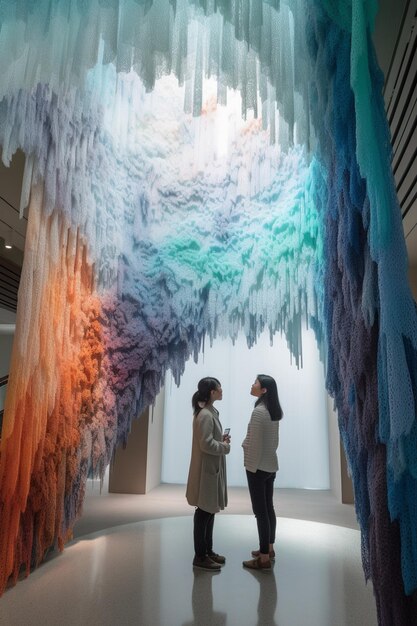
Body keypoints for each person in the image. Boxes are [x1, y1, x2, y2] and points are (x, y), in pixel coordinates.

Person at [186, 377, 231, 571]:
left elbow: (208, 439)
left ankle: (208, 551)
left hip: (210, 468)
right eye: (219, 388)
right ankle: (200, 555)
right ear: (212, 392)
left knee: (209, 510)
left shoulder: (209, 412)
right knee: (204, 512)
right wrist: (224, 446)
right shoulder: (205, 414)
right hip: (206, 470)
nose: (222, 390)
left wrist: (220, 439)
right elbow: (205, 444)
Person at [242, 374, 283, 570]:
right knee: (269, 509)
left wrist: (248, 462)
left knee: (261, 513)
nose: (252, 384)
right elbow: (273, 442)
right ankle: (269, 548)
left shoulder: (259, 412)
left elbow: (254, 444)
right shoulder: (272, 410)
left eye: (255, 383)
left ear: (263, 390)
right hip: (270, 465)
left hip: (257, 467)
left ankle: (264, 558)